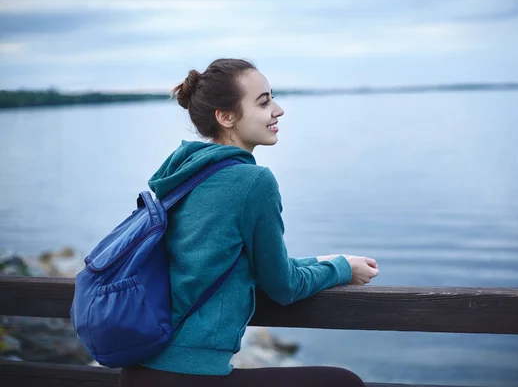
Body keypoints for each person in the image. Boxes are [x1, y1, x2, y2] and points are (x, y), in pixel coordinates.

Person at [119, 58, 380, 387]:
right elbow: (283, 287)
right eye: (264, 101)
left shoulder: (181, 175)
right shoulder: (252, 182)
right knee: (344, 382)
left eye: (273, 97)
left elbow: (225, 265)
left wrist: (321, 262)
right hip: (188, 375)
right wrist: (343, 269)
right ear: (226, 116)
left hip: (139, 369)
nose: (278, 110)